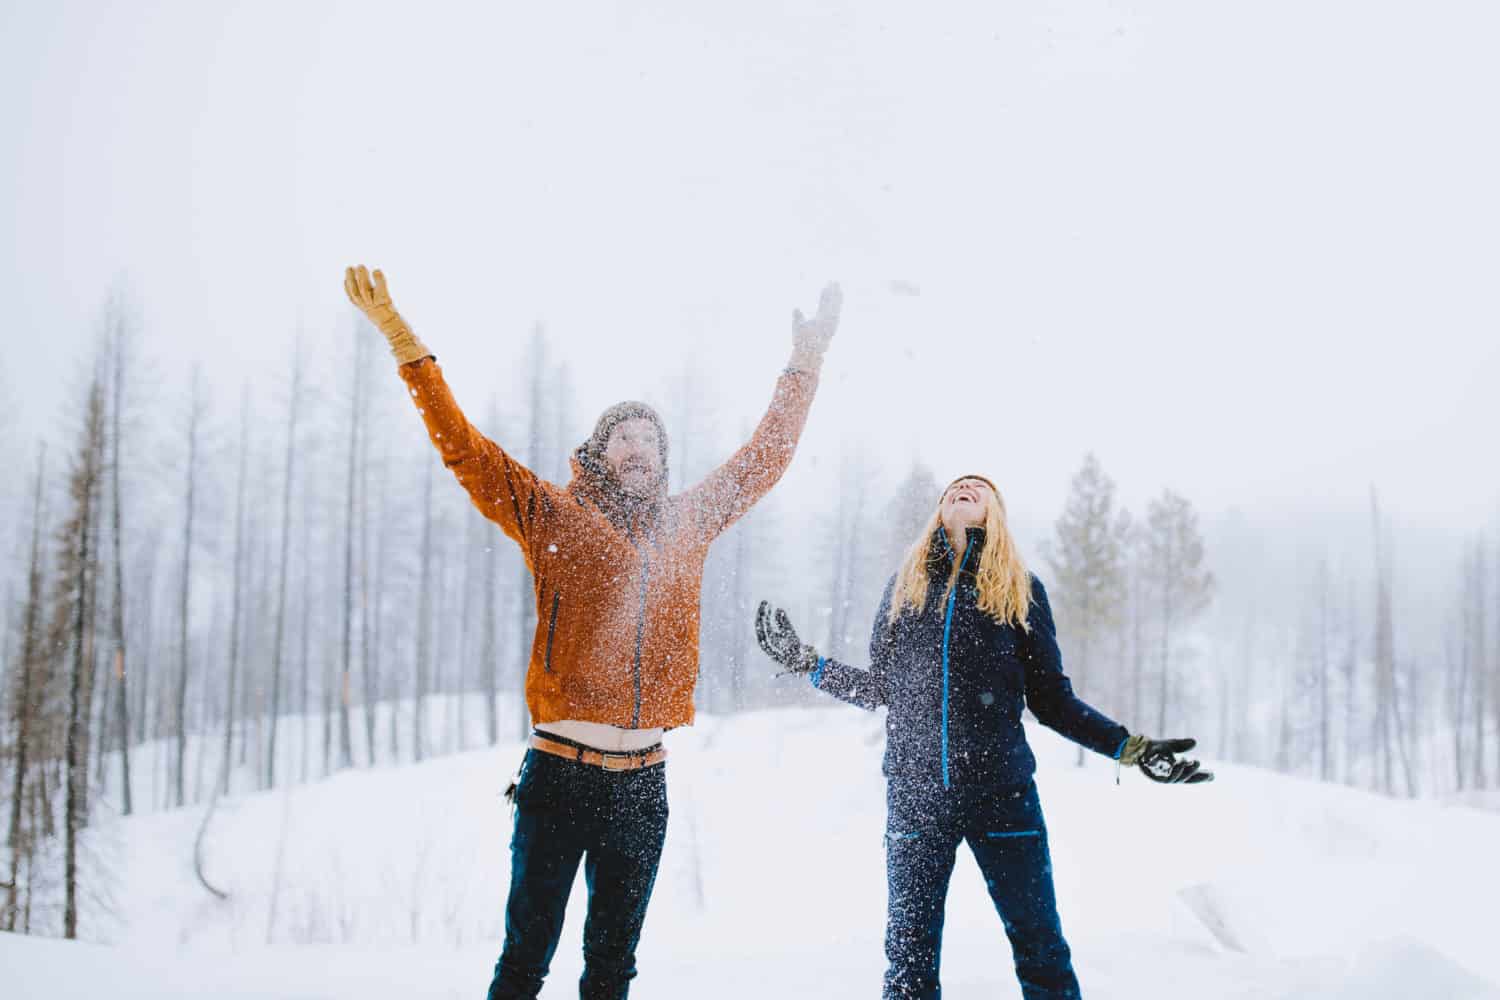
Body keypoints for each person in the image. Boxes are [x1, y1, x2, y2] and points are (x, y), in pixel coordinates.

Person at [344, 265, 842, 1000]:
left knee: (612, 972)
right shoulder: (556, 516)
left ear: (664, 460)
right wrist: (402, 340)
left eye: (651, 437)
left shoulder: (688, 525)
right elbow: (466, 450)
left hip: (643, 786)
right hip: (560, 773)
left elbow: (764, 458)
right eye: (624, 436)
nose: (640, 446)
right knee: (524, 966)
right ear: (599, 453)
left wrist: (806, 361)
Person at [755, 474, 1210, 1000]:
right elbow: (881, 686)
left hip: (1003, 799)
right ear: (939, 509)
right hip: (916, 800)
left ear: (995, 513)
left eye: (979, 487)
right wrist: (812, 666)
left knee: (1041, 949)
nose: (963, 488)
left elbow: (1053, 702)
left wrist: (1130, 749)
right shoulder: (904, 588)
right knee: (907, 964)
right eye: (954, 487)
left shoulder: (1021, 590)